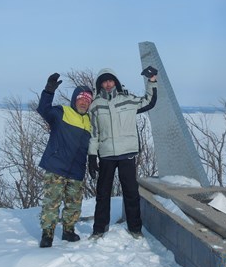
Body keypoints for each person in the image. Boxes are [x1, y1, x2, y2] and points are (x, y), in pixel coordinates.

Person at [87, 66, 158, 239]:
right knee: (103, 194)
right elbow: (94, 133)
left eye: (110, 80)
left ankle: (135, 229)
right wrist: (92, 156)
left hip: (127, 153)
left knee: (131, 192)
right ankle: (99, 229)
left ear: (116, 82)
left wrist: (152, 81)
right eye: (104, 81)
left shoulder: (128, 99)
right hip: (106, 155)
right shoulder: (95, 106)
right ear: (100, 84)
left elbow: (149, 101)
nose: (108, 84)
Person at [36, 73, 93, 248]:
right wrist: (49, 90)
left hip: (76, 170)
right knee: (51, 203)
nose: (84, 102)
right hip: (56, 167)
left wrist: (93, 161)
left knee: (74, 204)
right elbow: (43, 109)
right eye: (81, 99)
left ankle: (68, 231)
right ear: (75, 99)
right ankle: (47, 234)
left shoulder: (90, 121)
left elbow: (92, 145)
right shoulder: (62, 112)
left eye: (87, 100)